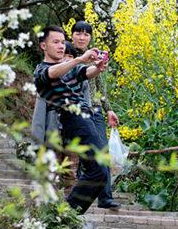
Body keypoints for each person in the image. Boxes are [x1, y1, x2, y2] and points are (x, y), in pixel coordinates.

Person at [34, 26, 108, 213]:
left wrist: (97, 68)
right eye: (55, 42)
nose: (61, 46)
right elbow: (52, 74)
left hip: (86, 117)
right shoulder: (41, 70)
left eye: (62, 41)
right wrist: (78, 59)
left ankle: (69, 213)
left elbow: (86, 73)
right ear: (43, 46)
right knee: (96, 170)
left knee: (100, 172)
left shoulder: (69, 69)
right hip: (72, 119)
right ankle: (68, 213)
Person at [71, 21, 121, 210]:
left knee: (102, 153)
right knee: (86, 157)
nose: (82, 37)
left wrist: (108, 109)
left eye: (86, 34)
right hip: (77, 112)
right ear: (72, 35)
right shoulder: (68, 55)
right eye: (78, 33)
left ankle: (105, 197)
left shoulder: (94, 58)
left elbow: (100, 88)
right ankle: (78, 199)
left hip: (96, 111)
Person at [30, 41, 79, 144]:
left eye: (70, 56)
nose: (66, 60)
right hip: (53, 138)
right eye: (63, 56)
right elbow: (39, 117)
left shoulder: (81, 81)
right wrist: (36, 144)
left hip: (74, 139)